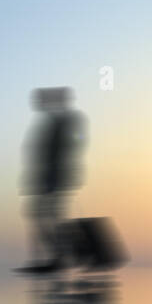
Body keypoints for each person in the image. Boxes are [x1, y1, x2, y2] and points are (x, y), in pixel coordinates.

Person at [20, 87, 87, 272]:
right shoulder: (58, 121)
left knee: (45, 216)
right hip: (52, 179)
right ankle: (64, 254)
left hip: (54, 180)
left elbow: (65, 150)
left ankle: (65, 255)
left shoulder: (65, 121)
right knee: (50, 217)